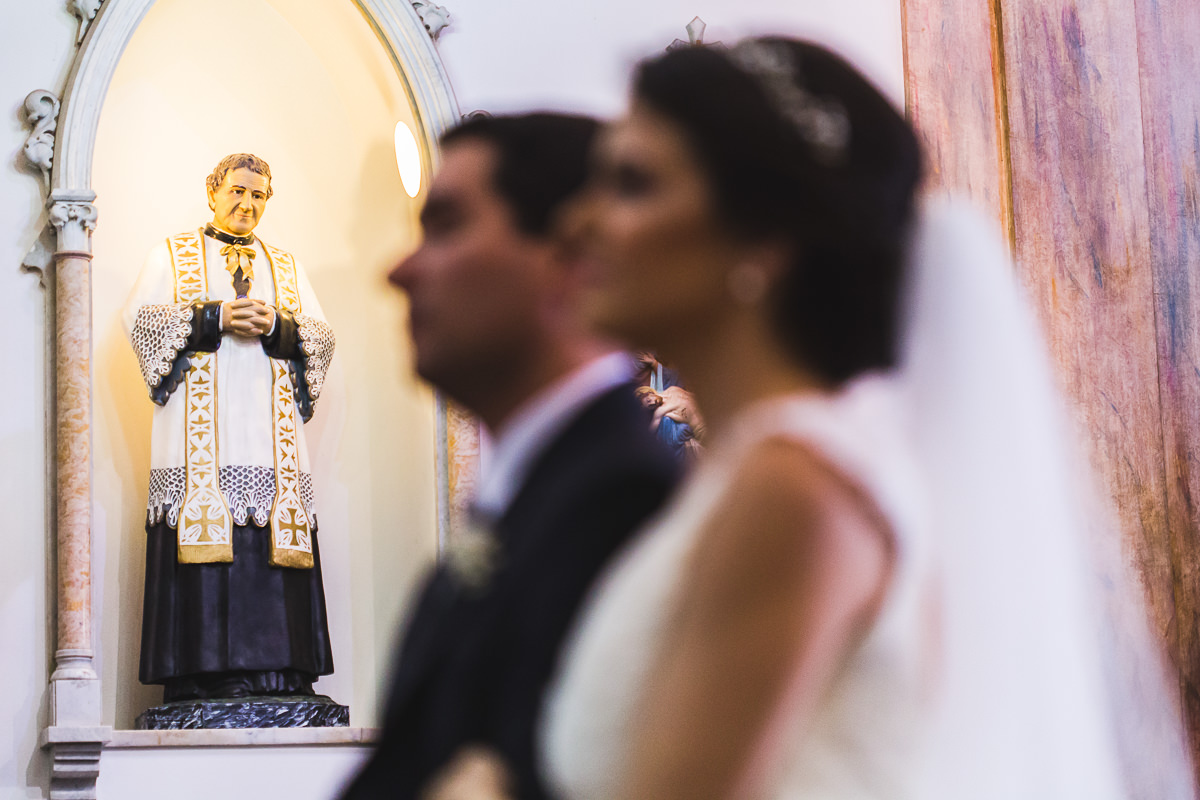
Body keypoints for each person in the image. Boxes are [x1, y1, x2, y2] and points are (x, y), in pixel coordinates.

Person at [431, 38, 1194, 800]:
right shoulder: (751, 475)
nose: (576, 227)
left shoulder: (797, 488)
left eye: (632, 185)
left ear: (764, 240)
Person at [338, 114, 680, 800]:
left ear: (568, 257)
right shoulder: (535, 487)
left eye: (446, 226)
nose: (399, 269)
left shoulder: (626, 499)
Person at [123, 153, 337, 704]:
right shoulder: (173, 254)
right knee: (210, 543)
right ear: (214, 190)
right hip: (200, 449)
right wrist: (213, 317)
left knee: (268, 544)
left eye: (259, 196)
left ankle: (282, 673)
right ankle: (205, 674)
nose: (248, 204)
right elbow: (141, 321)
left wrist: (279, 326)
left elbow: (322, 336)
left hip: (269, 443)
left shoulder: (286, 267)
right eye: (238, 191)